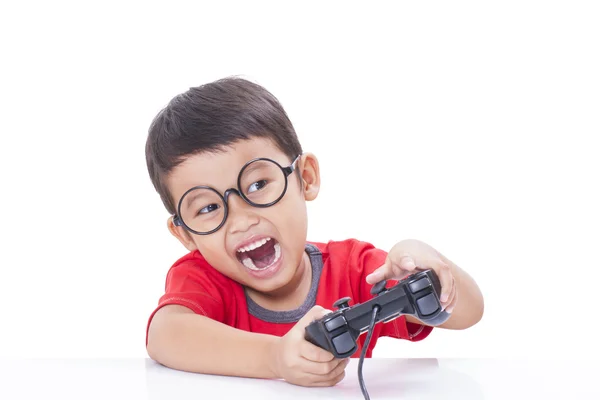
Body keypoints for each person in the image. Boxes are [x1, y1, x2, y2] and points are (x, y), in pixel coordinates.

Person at [144, 76, 484, 387]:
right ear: (186, 235)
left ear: (305, 177)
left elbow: (468, 312)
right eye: (207, 208)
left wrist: (428, 261)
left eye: (259, 184)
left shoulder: (354, 270)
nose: (241, 220)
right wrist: (275, 358)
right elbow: (165, 335)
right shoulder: (200, 279)